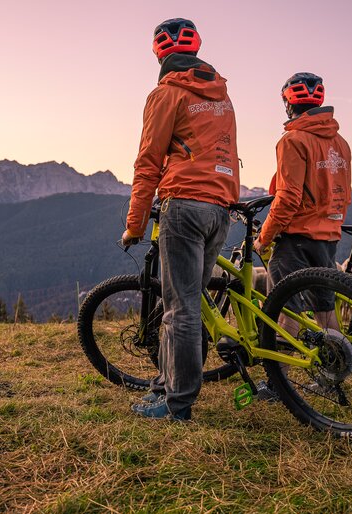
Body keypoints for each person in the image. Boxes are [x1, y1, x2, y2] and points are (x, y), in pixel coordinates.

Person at [123, 18, 240, 421]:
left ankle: (178, 404)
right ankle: (168, 386)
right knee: (192, 303)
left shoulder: (167, 93)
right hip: (220, 208)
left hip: (185, 206)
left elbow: (148, 161)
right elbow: (225, 153)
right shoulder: (222, 97)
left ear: (159, 54)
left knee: (180, 308)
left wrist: (135, 223)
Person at [253, 72, 352, 354]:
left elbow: (288, 197)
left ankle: (278, 380)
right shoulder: (340, 142)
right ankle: (335, 368)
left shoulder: (292, 140)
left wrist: (266, 236)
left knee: (286, 309)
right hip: (329, 235)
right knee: (324, 307)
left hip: (296, 237)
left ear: (288, 103)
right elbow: (345, 191)